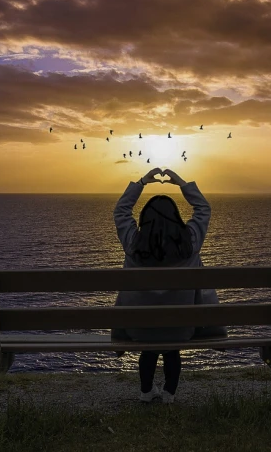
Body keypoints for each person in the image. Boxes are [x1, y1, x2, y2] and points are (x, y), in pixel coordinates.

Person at [113, 167, 222, 404]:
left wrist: (141, 182)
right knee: (172, 348)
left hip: (139, 329)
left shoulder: (133, 243)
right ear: (176, 218)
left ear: (145, 219)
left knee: (149, 346)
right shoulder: (190, 241)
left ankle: (145, 392)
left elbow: (121, 211)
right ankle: (169, 395)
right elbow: (203, 209)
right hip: (181, 329)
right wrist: (181, 183)